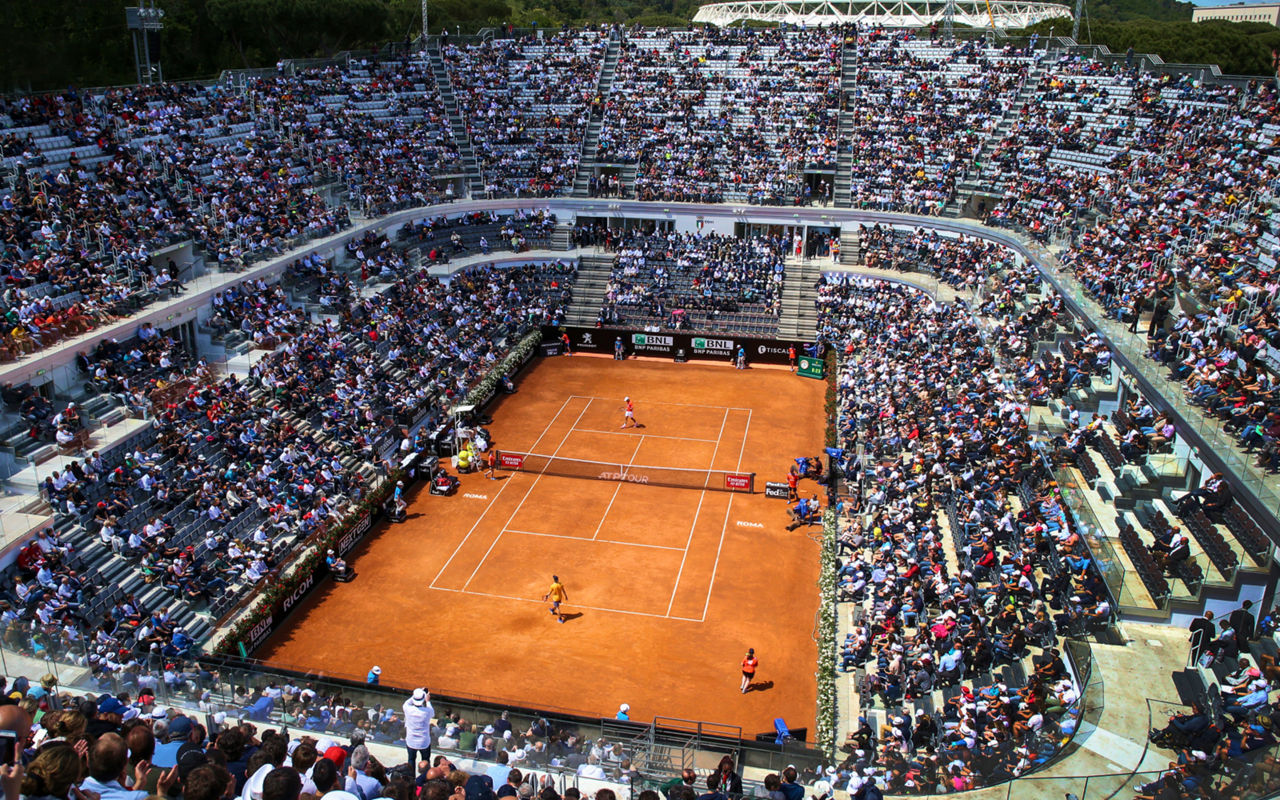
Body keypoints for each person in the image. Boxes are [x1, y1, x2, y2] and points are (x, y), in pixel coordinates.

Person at [404, 688, 434, 771]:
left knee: (411, 759)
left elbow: (408, 702)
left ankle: (411, 779)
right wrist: (427, 700)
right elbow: (432, 712)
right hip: (424, 742)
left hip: (411, 741)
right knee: (426, 761)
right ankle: (426, 778)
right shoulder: (427, 711)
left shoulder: (407, 708)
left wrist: (418, 694)